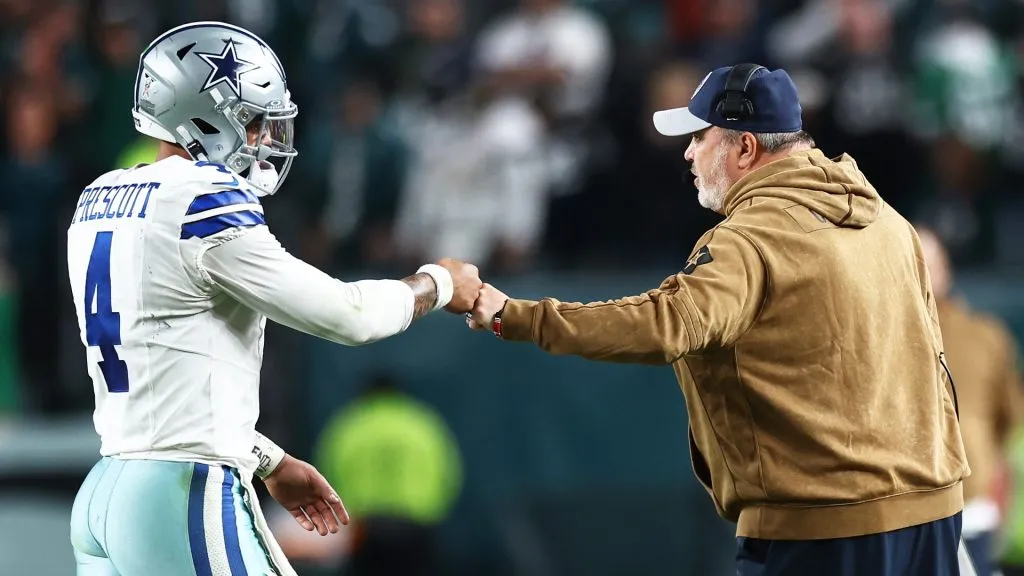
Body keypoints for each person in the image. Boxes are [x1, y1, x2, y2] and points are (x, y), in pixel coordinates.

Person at [468, 63, 971, 575]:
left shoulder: (751, 238)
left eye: (700, 137)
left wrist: (513, 315)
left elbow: (664, 324)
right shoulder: (891, 223)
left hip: (824, 528)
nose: (688, 152)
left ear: (745, 149)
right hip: (935, 513)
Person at [66, 22, 482, 576]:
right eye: (253, 120)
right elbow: (347, 316)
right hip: (181, 494)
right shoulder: (200, 197)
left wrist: (268, 458)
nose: (263, 138)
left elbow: (168, 375)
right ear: (203, 114)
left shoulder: (98, 198)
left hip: (105, 493)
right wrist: (440, 283)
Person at [918, 225, 1024, 576]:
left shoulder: (986, 336)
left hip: (976, 508)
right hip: (906, 512)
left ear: (947, 268)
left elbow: (1013, 421)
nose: (922, 273)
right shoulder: (874, 338)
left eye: (929, 263)